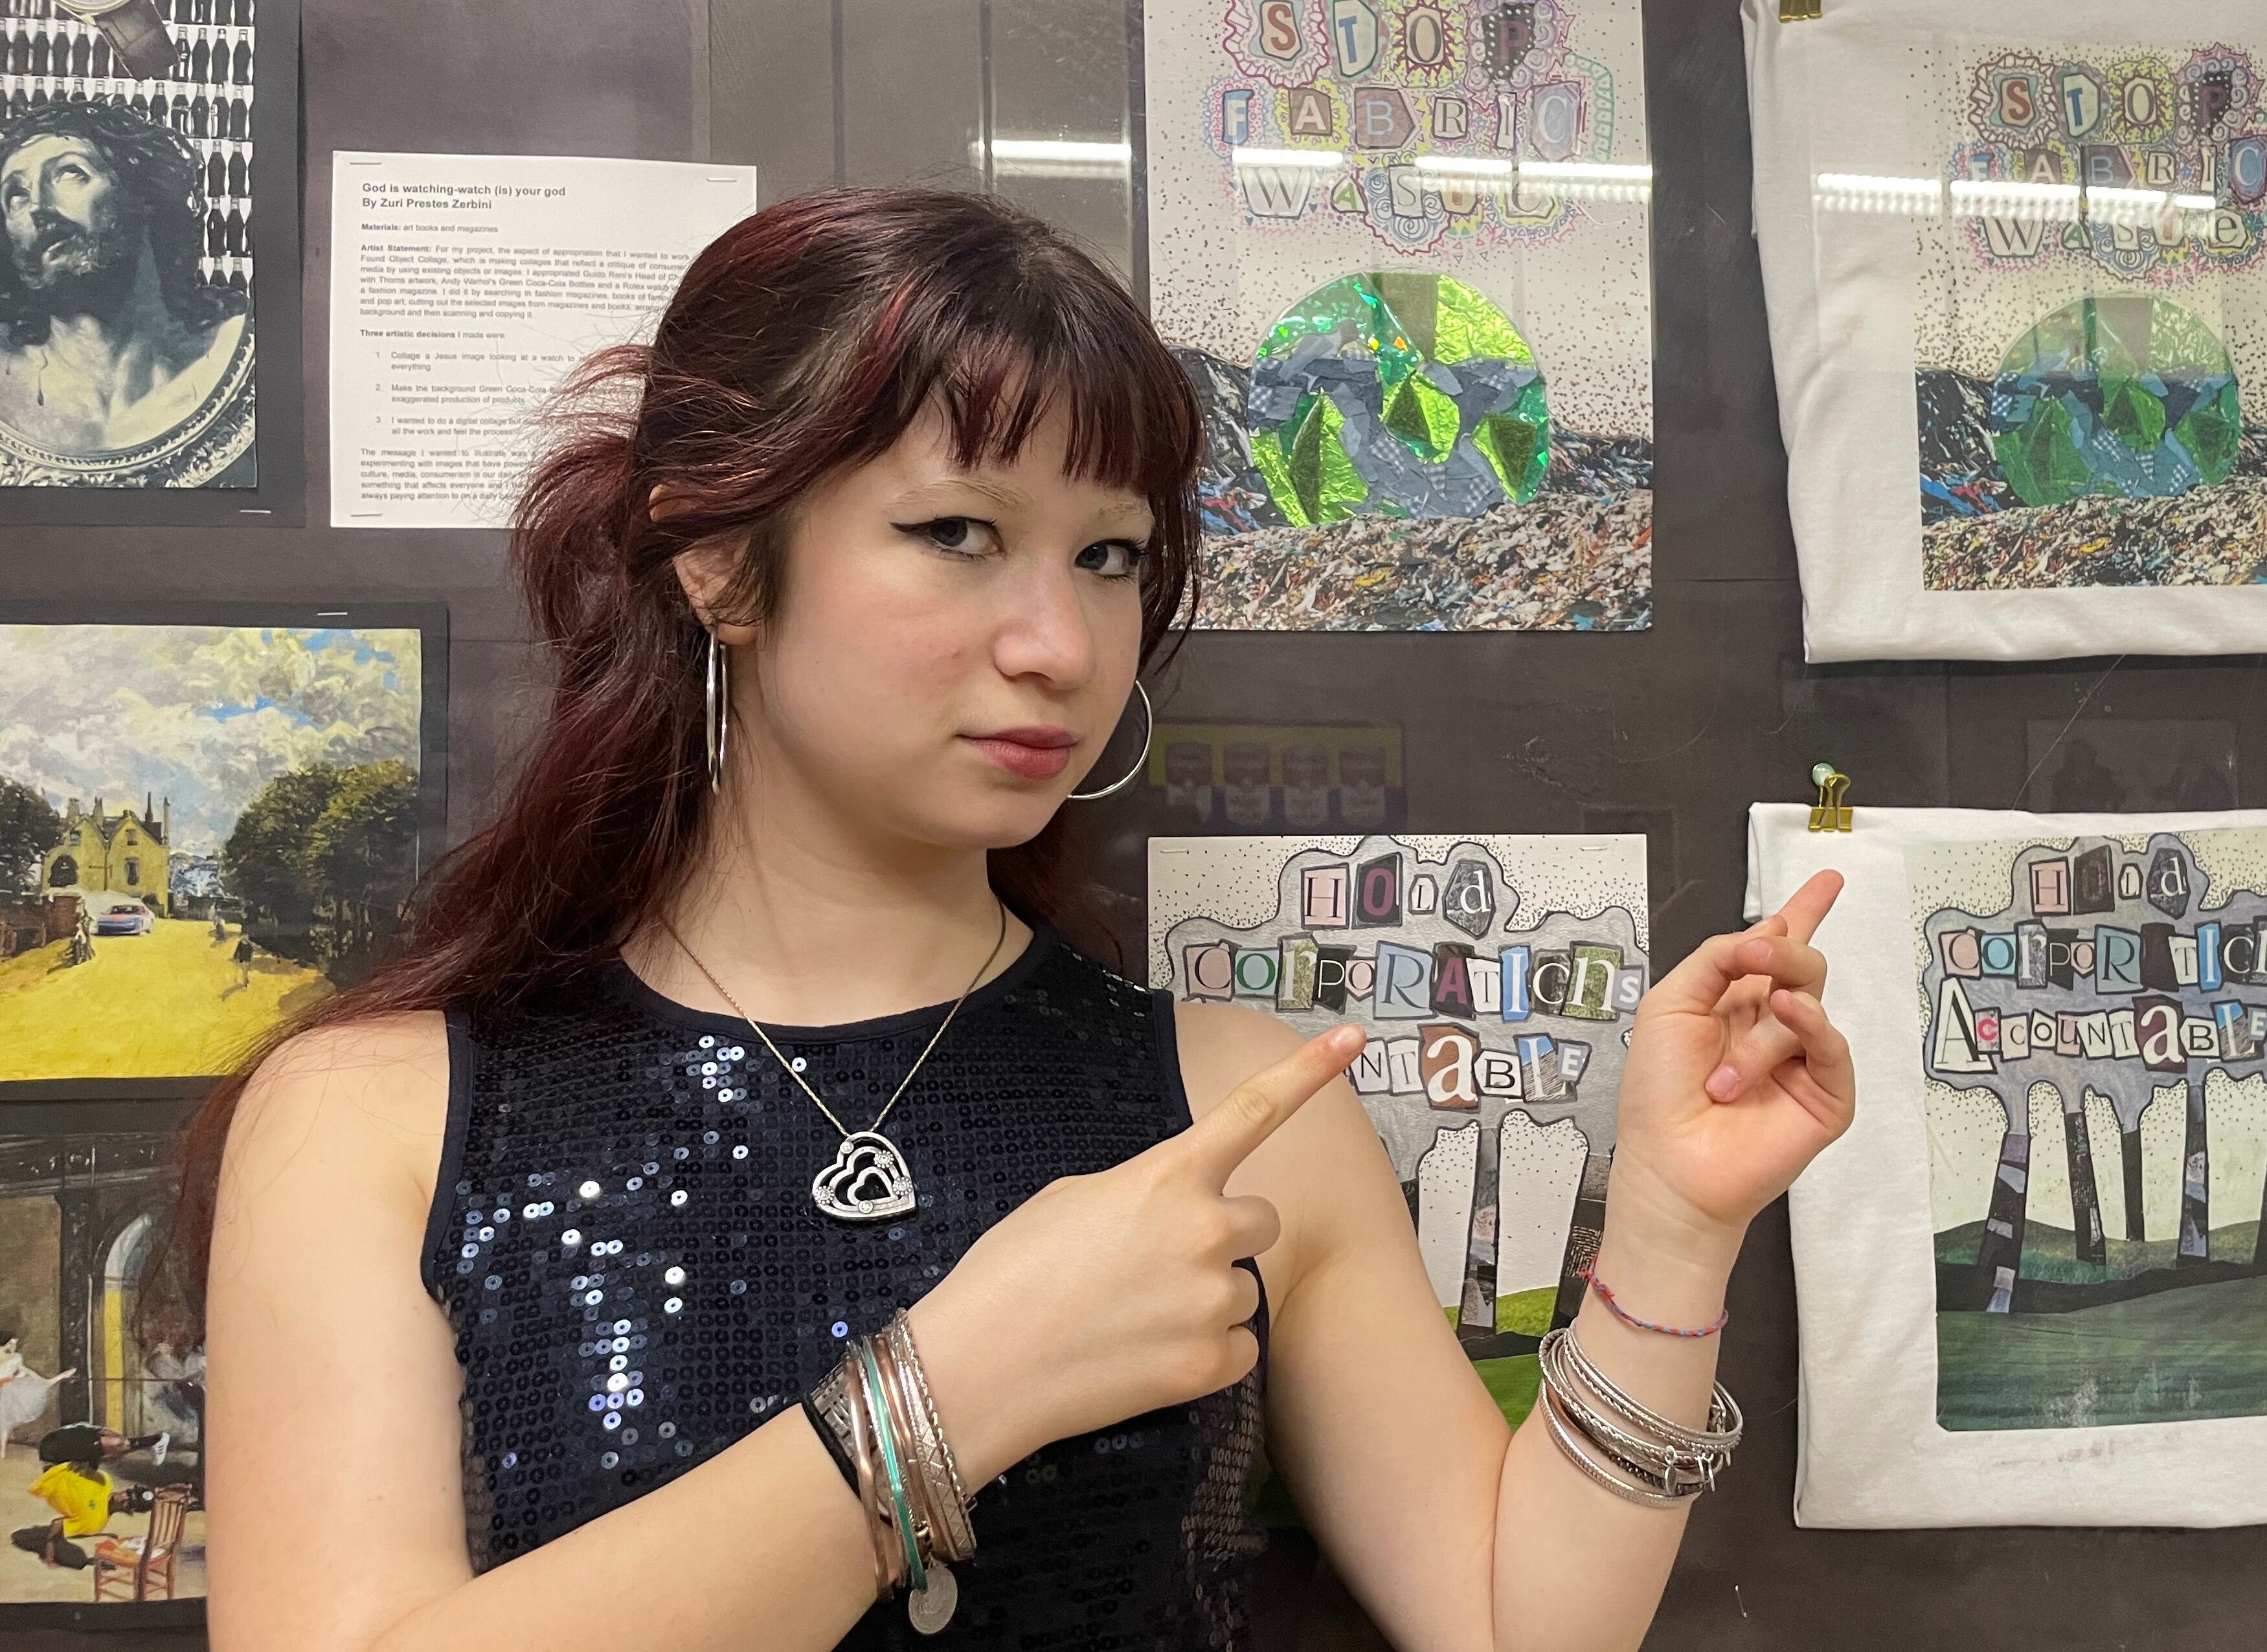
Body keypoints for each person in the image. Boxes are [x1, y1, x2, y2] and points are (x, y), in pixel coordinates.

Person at [164, 188, 1856, 1651]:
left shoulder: (1241, 1106)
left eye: (1112, 557)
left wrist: (1672, 1231)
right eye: (958, 534)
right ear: (718, 557)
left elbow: (1509, 1620)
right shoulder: (378, 1114)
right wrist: (952, 1392)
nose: (1057, 640)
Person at [0, 97, 254, 480]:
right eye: (15, 195)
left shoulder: (243, 353)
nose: (38, 206)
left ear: (145, 198)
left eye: (71, 173)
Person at [13, 1425, 152, 1569]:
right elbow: (88, 1464)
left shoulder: (94, 1522)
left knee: (111, 1444)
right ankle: (143, 1440)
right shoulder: (106, 1482)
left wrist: (49, 1555)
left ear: (129, 1511)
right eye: (129, 1493)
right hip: (64, 1454)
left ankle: (98, 1431)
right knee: (112, 1447)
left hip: (51, 1461)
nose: (124, 1498)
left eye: (130, 1504)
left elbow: (57, 1524)